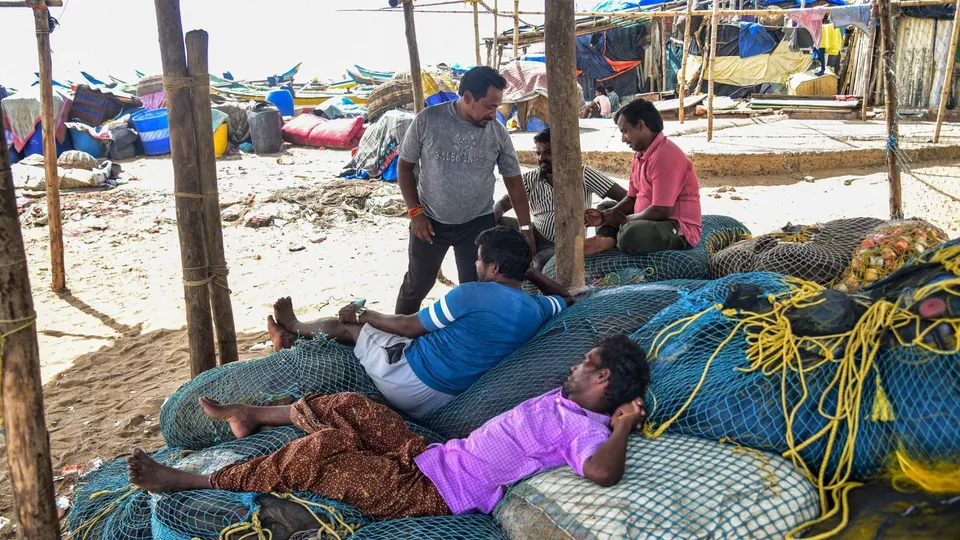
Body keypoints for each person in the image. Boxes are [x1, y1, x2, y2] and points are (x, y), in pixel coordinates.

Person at [127, 335, 650, 521]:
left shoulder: (588, 429)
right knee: (355, 404)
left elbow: (602, 474)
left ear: (602, 378)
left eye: (585, 361)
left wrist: (624, 425)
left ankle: (193, 481)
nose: (574, 365)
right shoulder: (563, 396)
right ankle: (255, 415)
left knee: (327, 449)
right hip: (433, 455)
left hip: (433, 492)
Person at [267, 226, 573, 419]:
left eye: (479, 259)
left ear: (493, 268)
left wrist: (363, 315)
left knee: (349, 327)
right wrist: (529, 272)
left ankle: (294, 327)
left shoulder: (471, 294)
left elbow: (406, 325)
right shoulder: (537, 308)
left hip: (410, 381)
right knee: (376, 335)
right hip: (443, 399)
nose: (475, 264)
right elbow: (566, 298)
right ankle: (296, 338)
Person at [395, 66, 537, 315]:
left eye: (497, 107)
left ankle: (470, 337)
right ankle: (393, 338)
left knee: (474, 288)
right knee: (417, 285)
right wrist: (416, 213)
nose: (494, 115)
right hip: (429, 223)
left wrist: (526, 228)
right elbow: (404, 168)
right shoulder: (428, 120)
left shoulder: (498, 133)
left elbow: (513, 181)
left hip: (477, 224)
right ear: (468, 97)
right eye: (490, 106)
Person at [494, 128, 628, 269]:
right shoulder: (530, 178)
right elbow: (502, 204)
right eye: (538, 153)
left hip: (563, 245)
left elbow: (627, 198)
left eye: (548, 153)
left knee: (542, 263)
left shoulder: (583, 174)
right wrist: (494, 218)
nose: (541, 159)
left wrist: (604, 222)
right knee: (496, 228)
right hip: (534, 233)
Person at [583, 98, 702, 256]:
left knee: (630, 234)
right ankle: (606, 239)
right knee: (606, 207)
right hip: (647, 217)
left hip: (675, 226)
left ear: (640, 125)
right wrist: (605, 217)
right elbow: (632, 198)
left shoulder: (665, 156)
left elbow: (660, 211)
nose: (623, 138)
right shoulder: (641, 155)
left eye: (625, 131)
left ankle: (610, 239)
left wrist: (626, 221)